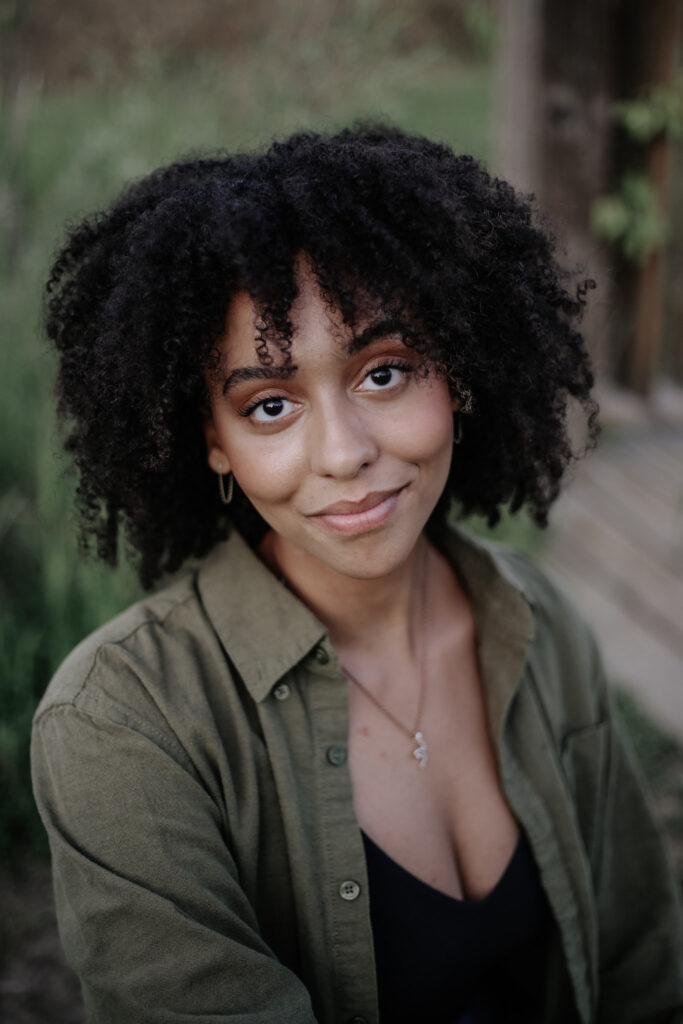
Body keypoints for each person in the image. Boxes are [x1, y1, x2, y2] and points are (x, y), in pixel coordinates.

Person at [31, 125, 682, 1024]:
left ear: (456, 370)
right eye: (269, 404)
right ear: (214, 442)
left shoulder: (537, 623)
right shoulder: (126, 727)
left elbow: (639, 974)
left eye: (384, 373)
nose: (343, 454)